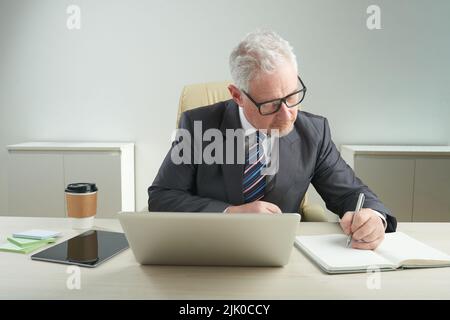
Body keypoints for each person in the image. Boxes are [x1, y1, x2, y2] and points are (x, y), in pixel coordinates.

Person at [148, 30, 397, 250]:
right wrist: (230, 214)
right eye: (271, 104)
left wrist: (373, 217)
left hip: (282, 255)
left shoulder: (314, 132)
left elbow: (350, 193)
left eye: (292, 96)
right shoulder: (199, 126)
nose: (287, 114)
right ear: (237, 95)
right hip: (208, 248)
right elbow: (162, 196)